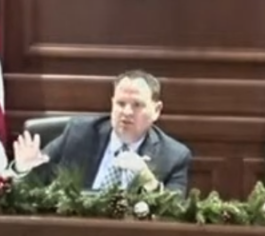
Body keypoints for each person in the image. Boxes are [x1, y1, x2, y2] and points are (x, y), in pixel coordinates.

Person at [10, 70, 192, 194]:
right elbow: (29, 189)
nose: (127, 112)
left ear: (157, 110)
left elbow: (176, 212)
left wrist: (148, 181)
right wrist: (22, 169)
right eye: (121, 103)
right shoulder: (79, 134)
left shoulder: (173, 156)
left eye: (137, 105)